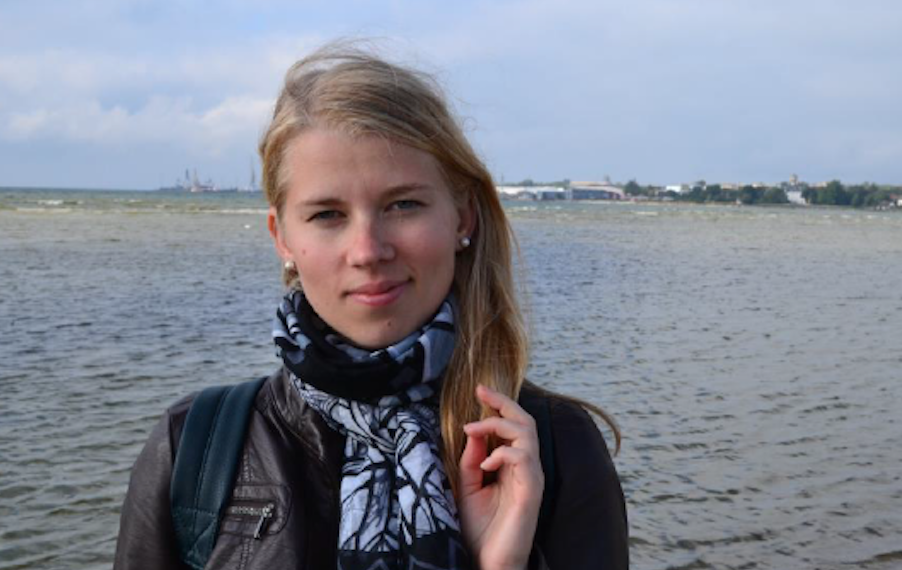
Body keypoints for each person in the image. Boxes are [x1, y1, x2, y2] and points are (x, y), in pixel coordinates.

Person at [114, 42, 628, 570]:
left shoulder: (553, 450)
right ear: (282, 237)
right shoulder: (196, 450)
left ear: (463, 219)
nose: (368, 251)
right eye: (328, 215)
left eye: (403, 204)